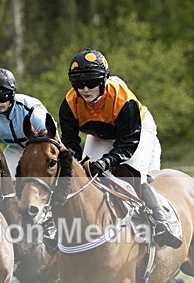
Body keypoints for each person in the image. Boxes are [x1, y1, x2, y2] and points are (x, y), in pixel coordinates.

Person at [58, 48, 181, 248]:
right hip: (100, 135)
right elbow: (70, 142)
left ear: (103, 80)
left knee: (132, 177)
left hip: (136, 131)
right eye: (79, 83)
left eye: (91, 82)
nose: (85, 89)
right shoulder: (70, 103)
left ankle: (161, 222)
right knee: (86, 175)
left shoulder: (123, 99)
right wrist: (79, 165)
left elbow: (128, 143)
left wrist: (106, 162)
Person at [0, 68, 51, 175]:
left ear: (12, 94)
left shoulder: (30, 109)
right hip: (14, 149)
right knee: (3, 176)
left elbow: (51, 138)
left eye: (3, 97)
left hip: (41, 147)